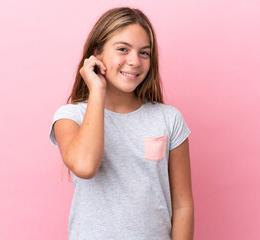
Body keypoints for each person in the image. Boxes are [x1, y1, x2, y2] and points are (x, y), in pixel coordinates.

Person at [49, 7, 194, 239]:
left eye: (144, 53)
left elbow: (182, 205)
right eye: (123, 49)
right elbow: (85, 167)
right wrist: (97, 89)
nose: (134, 61)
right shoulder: (70, 117)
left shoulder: (169, 119)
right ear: (96, 53)